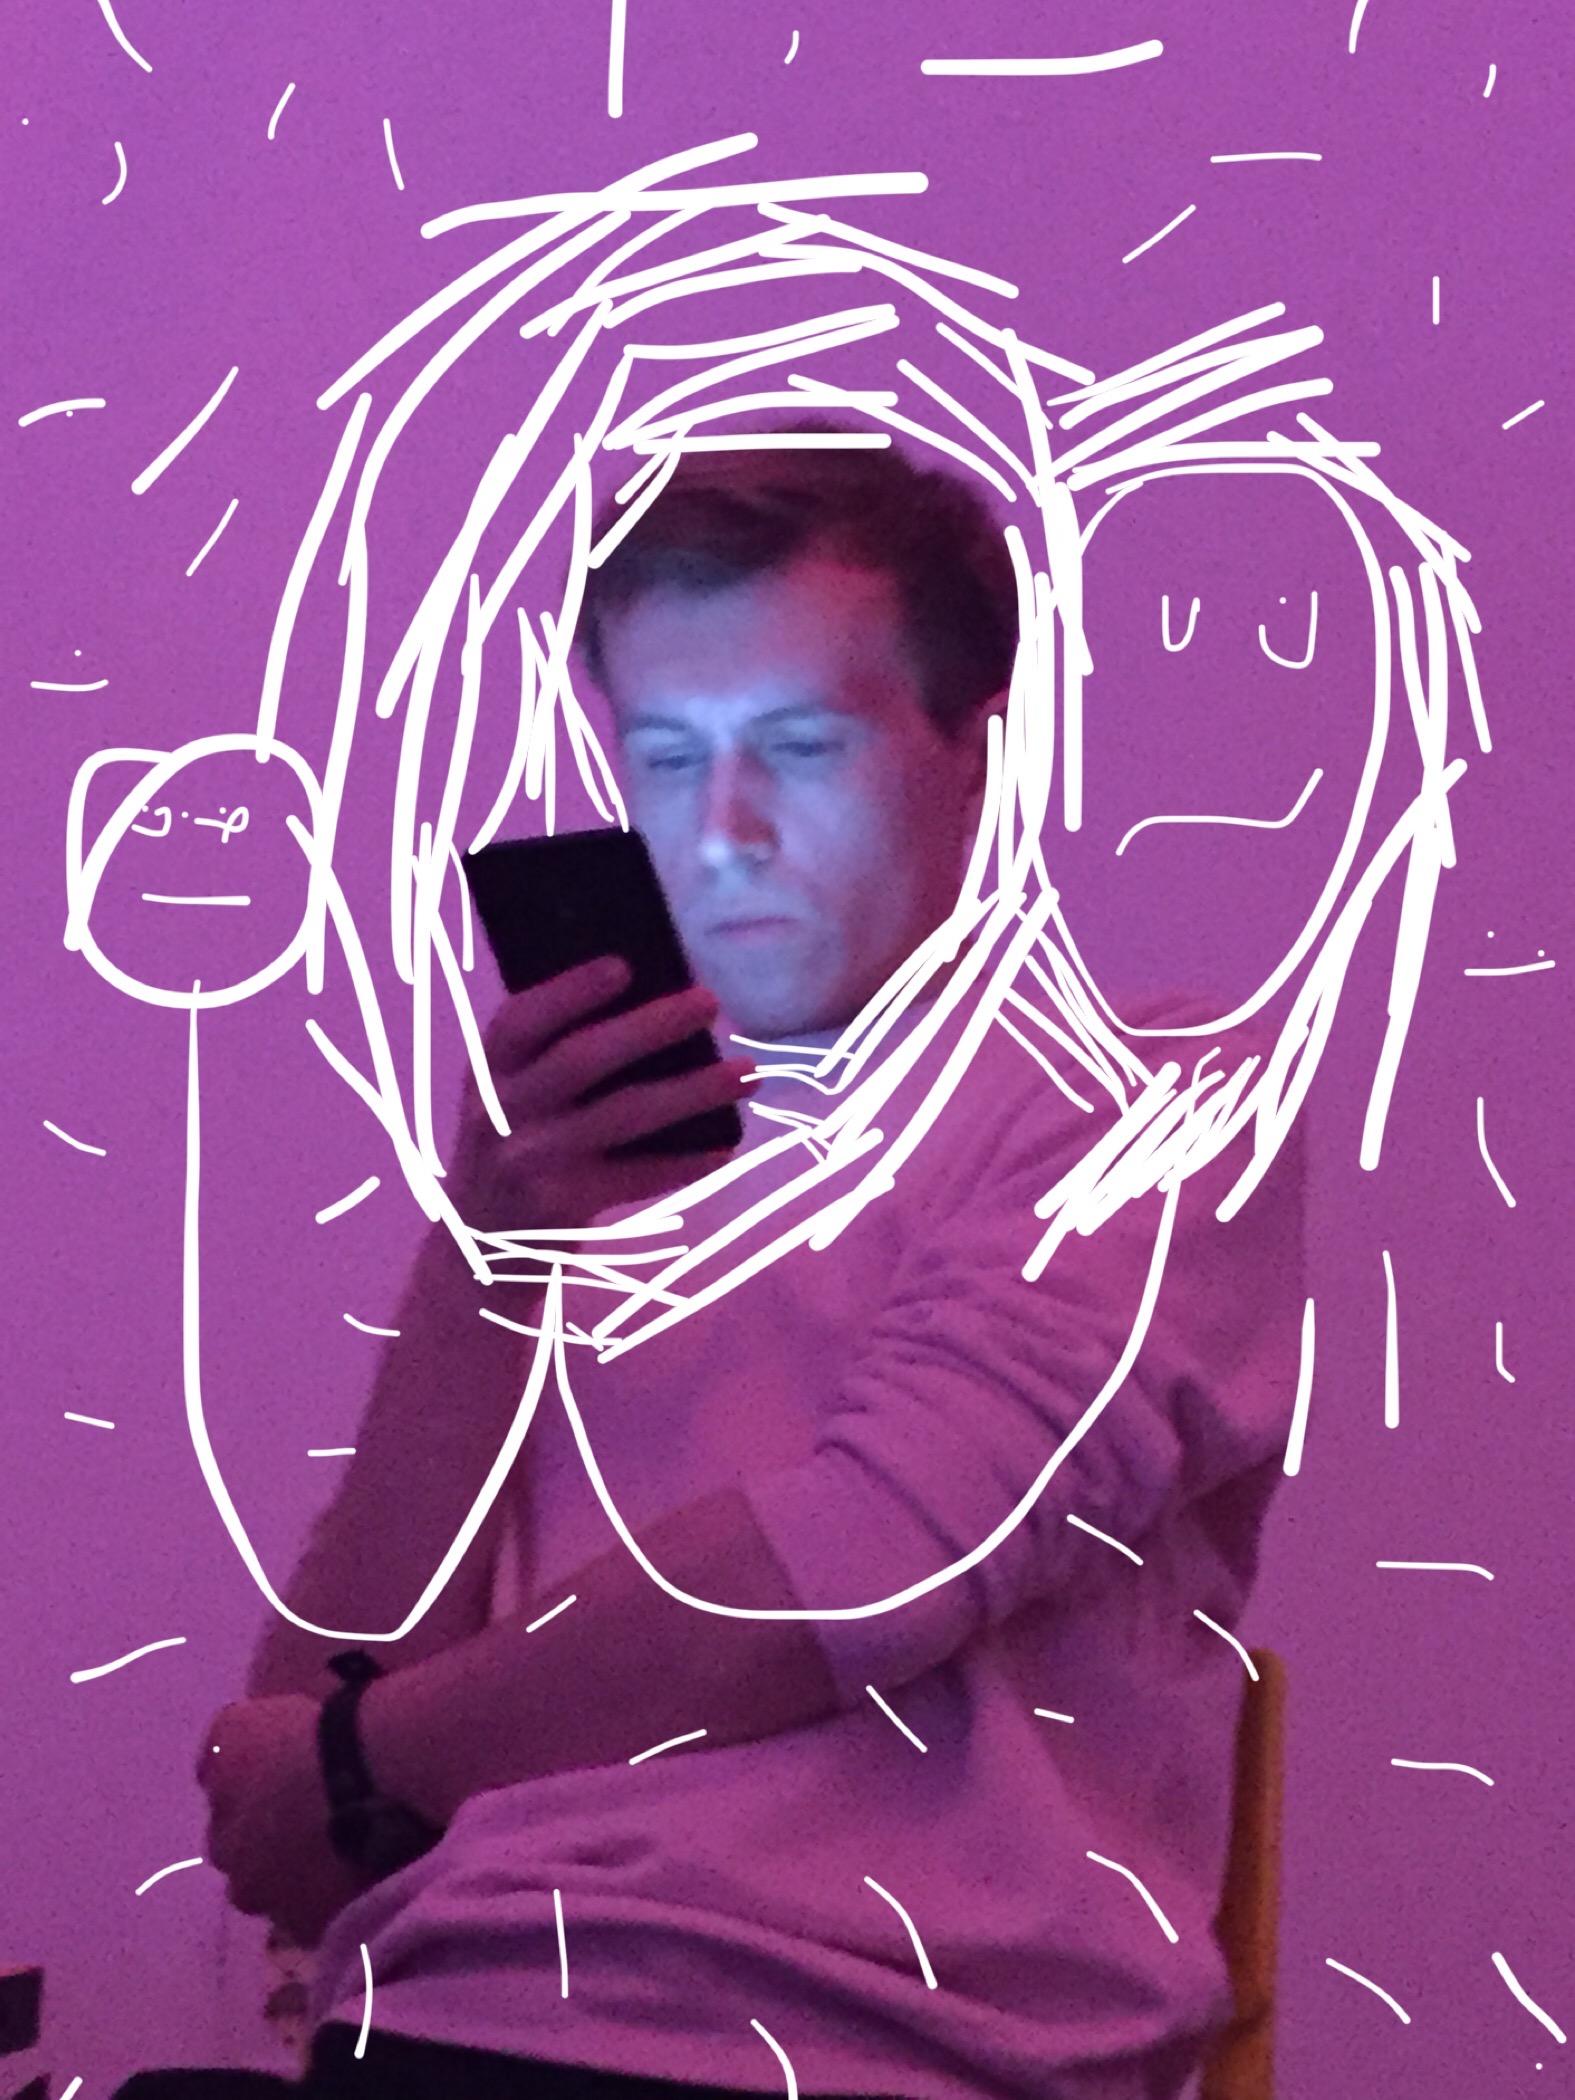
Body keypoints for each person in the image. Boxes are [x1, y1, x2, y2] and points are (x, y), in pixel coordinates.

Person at [116, 436, 1303, 2100]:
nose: (722, 831)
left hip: (871, 2049)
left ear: (979, 753)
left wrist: (370, 1762)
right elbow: (296, 1794)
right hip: (451, 2028)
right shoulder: (585, 1164)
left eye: (800, 748)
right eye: (666, 758)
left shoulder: (1155, 1092)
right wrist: (485, 1254)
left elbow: (865, 1556)